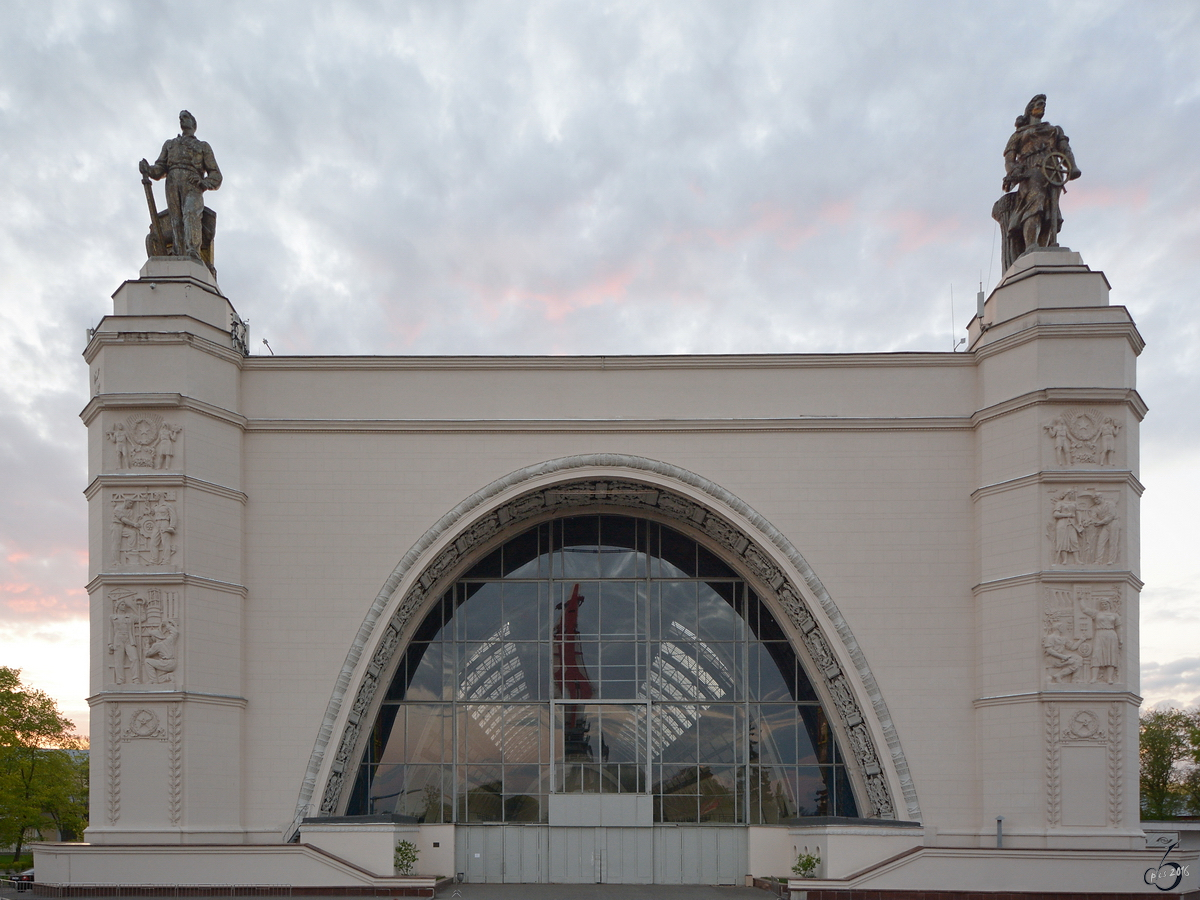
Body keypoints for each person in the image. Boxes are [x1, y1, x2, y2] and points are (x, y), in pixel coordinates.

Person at [995, 95, 1081, 269]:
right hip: (1030, 170)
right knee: (1035, 204)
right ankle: (1031, 245)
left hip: (1052, 170)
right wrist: (1014, 171)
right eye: (1039, 104)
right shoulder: (1018, 135)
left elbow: (1065, 150)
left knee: (1051, 209)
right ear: (1030, 109)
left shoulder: (1054, 130)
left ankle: (1046, 245)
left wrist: (1072, 167)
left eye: (1044, 104)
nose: (1042, 107)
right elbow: (1009, 159)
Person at [140, 110, 222, 263]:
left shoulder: (202, 146)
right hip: (172, 182)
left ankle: (193, 251)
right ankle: (179, 253)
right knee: (175, 221)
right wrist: (148, 169)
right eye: (180, 118)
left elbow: (216, 175)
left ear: (193, 123)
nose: (181, 120)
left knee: (191, 212)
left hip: (192, 184)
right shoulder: (170, 144)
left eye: (185, 117)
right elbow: (159, 168)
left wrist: (204, 183)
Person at [1081, 599, 1121, 684]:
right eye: (1102, 604)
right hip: (1099, 633)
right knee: (1096, 654)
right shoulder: (1097, 613)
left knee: (1111, 656)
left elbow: (1118, 627)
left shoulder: (1115, 615)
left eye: (1105, 603)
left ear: (1109, 604)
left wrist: (1120, 639)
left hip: (1111, 635)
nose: (1104, 605)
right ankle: (1094, 678)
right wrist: (1081, 599)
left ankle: (1109, 678)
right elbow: (1084, 609)